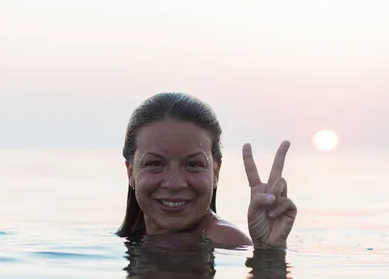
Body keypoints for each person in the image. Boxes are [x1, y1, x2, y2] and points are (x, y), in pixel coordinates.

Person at [117, 92, 297, 248]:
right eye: (155, 164)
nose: (174, 183)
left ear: (215, 172)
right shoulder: (133, 237)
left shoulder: (224, 240)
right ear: (131, 172)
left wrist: (269, 252)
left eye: (193, 165)